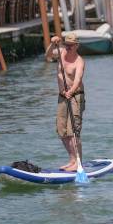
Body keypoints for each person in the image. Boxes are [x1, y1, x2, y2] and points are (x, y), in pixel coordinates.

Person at [45, 34, 86, 172]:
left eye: (71, 45)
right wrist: (52, 44)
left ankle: (79, 162)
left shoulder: (79, 61)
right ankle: (72, 159)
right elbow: (48, 55)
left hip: (75, 97)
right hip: (62, 97)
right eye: (66, 44)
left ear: (76, 46)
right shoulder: (61, 53)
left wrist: (71, 91)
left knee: (73, 131)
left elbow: (78, 79)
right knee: (62, 131)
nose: (68, 47)